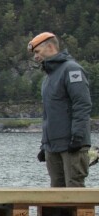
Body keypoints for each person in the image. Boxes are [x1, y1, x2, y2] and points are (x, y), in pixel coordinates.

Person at [28, 31, 92, 187]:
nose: (35, 57)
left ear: (50, 47)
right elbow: (48, 114)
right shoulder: (48, 78)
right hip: (52, 147)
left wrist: (77, 137)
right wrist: (45, 145)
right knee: (55, 195)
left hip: (72, 144)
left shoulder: (72, 70)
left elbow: (82, 104)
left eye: (37, 51)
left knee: (74, 190)